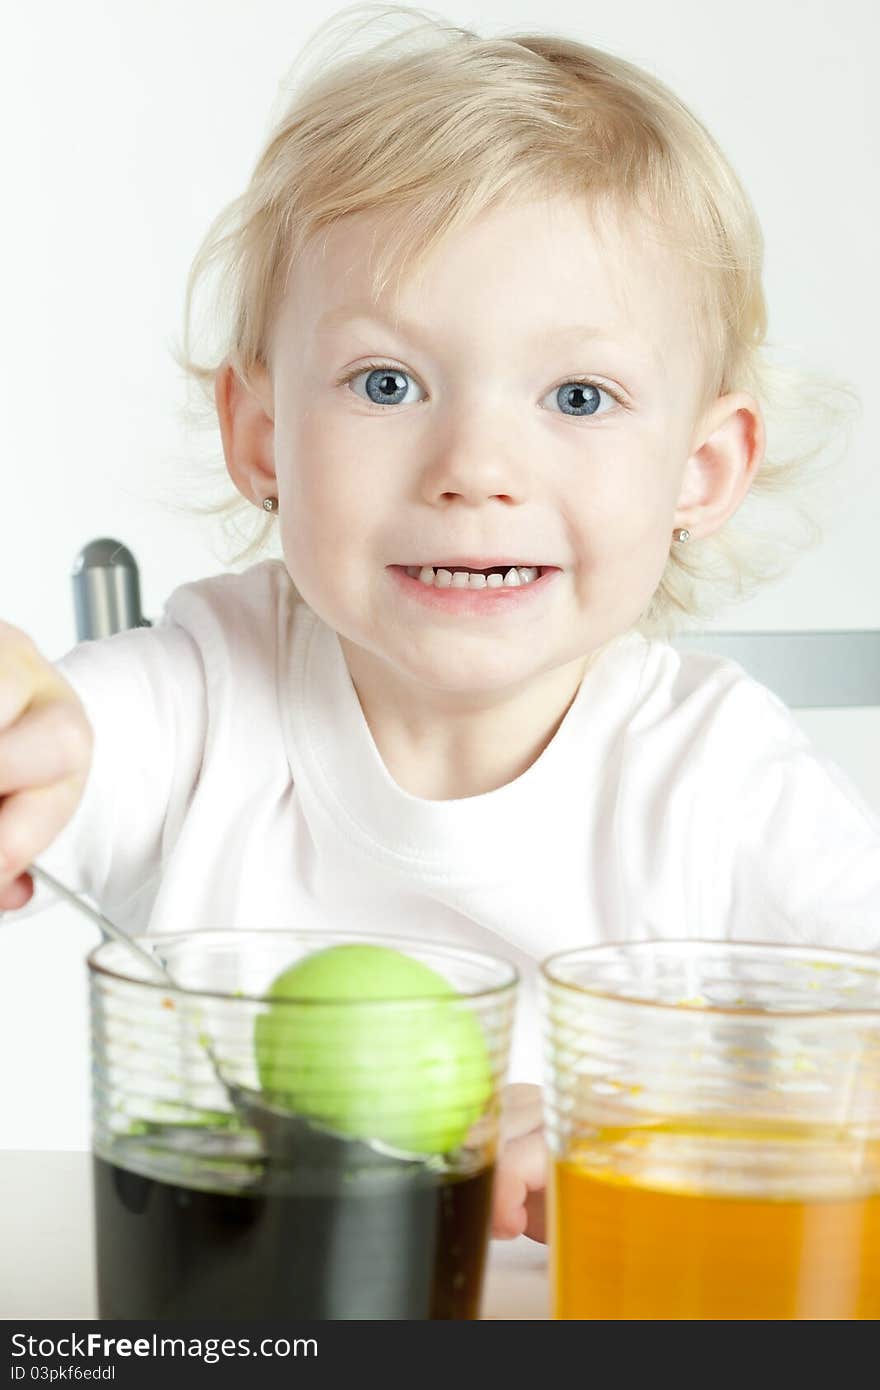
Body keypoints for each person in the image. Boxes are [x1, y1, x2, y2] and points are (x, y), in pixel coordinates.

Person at [1, 5, 878, 1249]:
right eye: (386, 382)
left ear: (700, 467)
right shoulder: (201, 698)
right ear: (260, 434)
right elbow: (61, 746)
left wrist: (648, 1118)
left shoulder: (719, 780)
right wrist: (25, 724)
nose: (474, 468)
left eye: (578, 396)